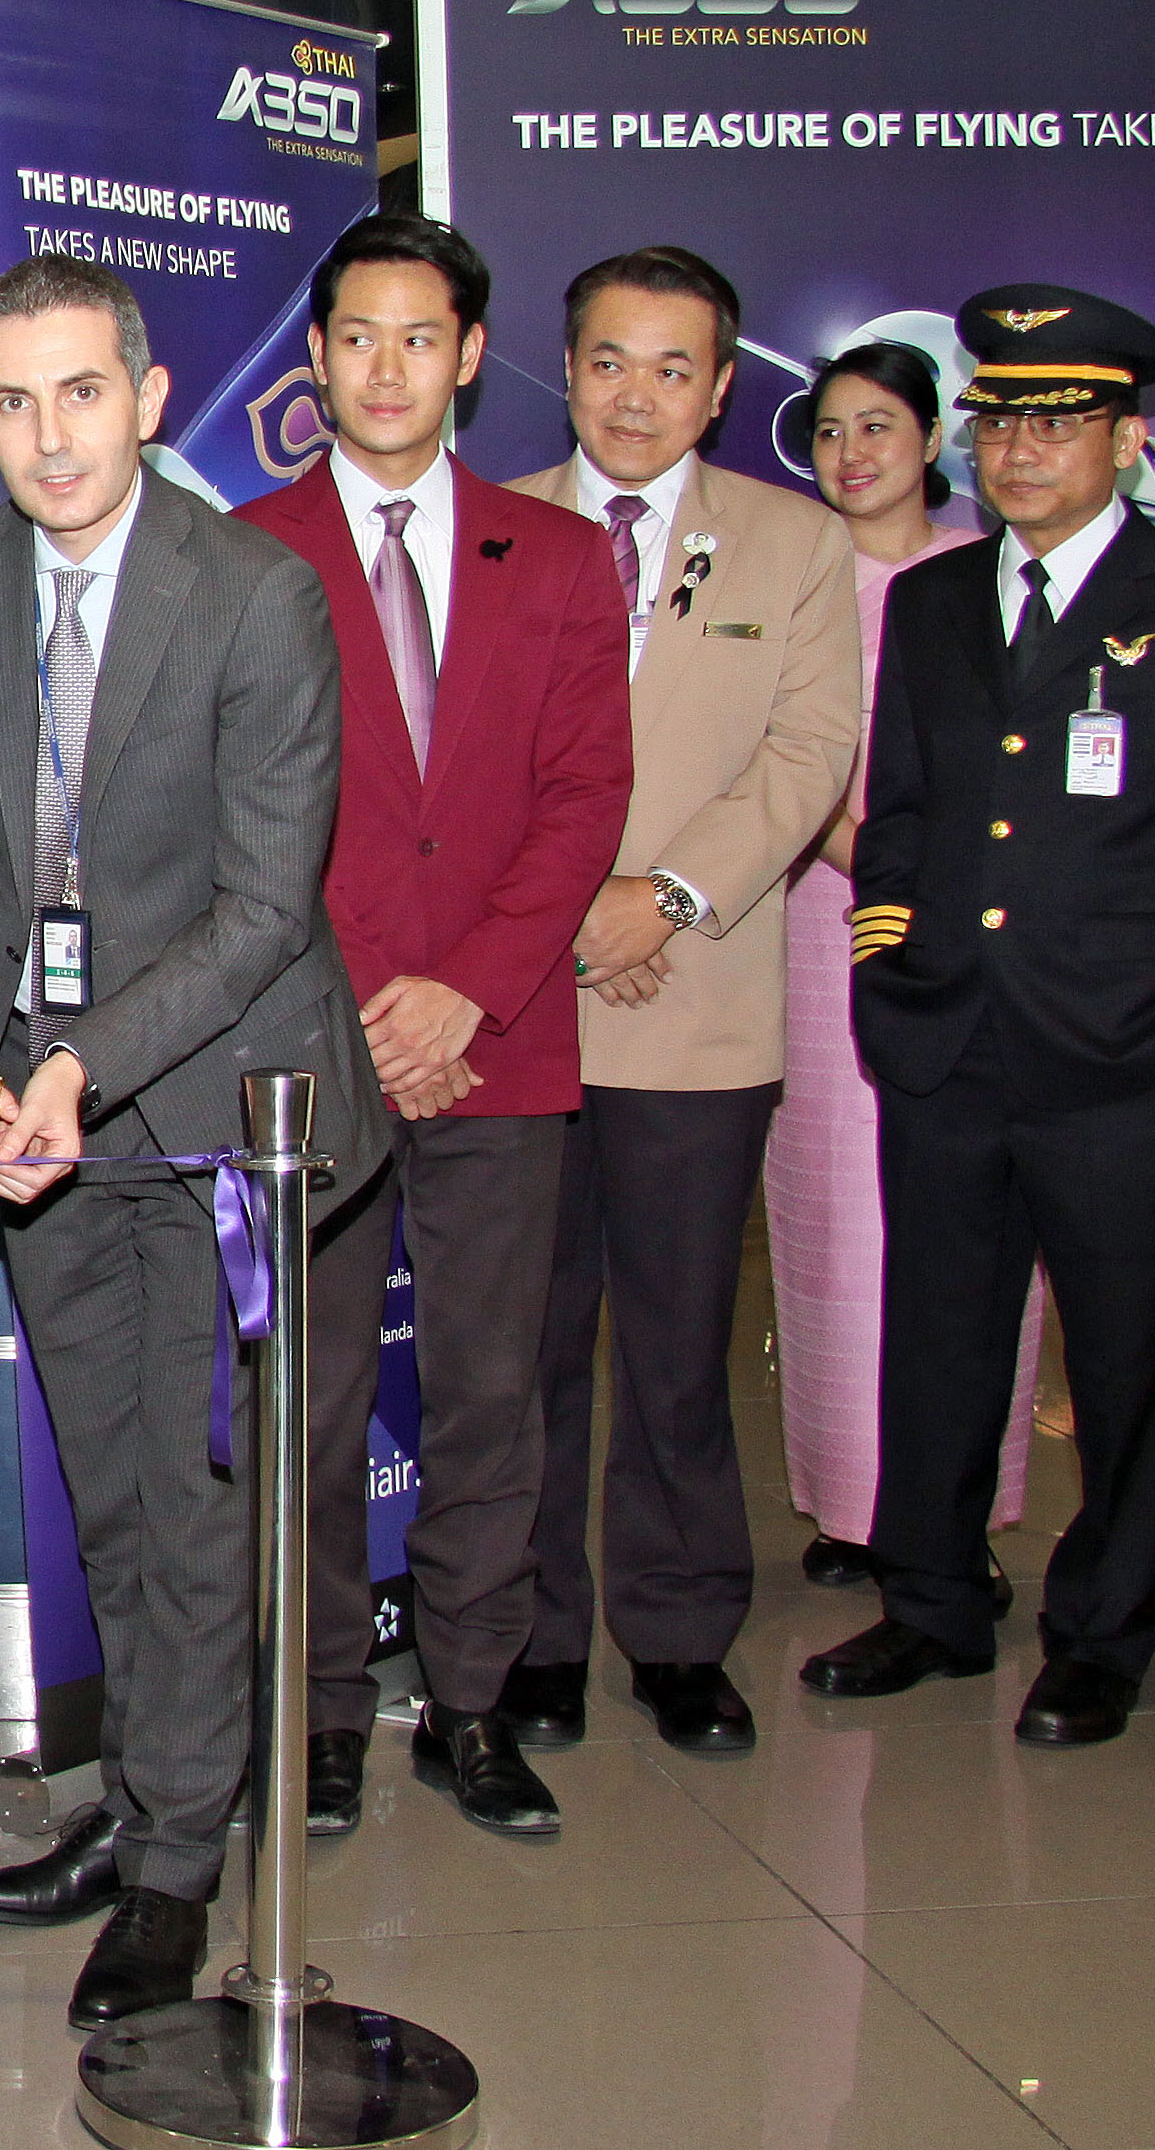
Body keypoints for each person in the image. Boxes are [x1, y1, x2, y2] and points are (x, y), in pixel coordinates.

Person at [0, 253, 389, 2034]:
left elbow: (264, 909)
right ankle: (149, 1793)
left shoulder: (254, 594)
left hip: (222, 1114)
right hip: (42, 1119)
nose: (49, 436)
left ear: (150, 397)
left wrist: (79, 1066)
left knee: (194, 1498)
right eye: (12, 400)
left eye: (82, 392)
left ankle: (178, 1862)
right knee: (109, 1483)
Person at [806, 286, 1155, 1748]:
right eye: (1001, 421)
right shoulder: (939, 597)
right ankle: (934, 1600)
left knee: (1126, 1352)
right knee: (940, 1334)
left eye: (1059, 422)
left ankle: (1107, 1625)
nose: (1020, 450)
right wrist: (889, 970)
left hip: (1123, 1052)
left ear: (1127, 438)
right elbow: (902, 812)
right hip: (949, 1037)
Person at [237, 214, 629, 1842]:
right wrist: (361, 1001)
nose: (385, 367)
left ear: (468, 355)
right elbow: (237, 818)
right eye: (357, 337)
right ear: (316, 358)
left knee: (490, 1393)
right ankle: (322, 1709)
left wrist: (466, 986)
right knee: (311, 1403)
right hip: (308, 1052)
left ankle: (469, 1701)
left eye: (419, 336)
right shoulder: (245, 556)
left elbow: (584, 797)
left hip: (500, 1040)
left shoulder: (561, 558)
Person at [509, 248, 858, 1761]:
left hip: (699, 1001)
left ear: (720, 388)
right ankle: (526, 1634)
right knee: (522, 1349)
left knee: (674, 1346)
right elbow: (453, 761)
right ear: (564, 369)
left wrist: (660, 895)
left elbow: (809, 752)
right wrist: (571, 909)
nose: (636, 396)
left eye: (672, 369)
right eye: (609, 361)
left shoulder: (794, 544)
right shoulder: (497, 526)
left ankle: (677, 1630)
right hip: (521, 1003)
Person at [760, 344, 1041, 1593]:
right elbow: (764, 752)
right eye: (829, 432)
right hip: (823, 916)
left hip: (978, 930)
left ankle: (957, 1512)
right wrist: (872, 856)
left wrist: (940, 879)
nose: (852, 454)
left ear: (934, 441)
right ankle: (847, 1504)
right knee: (834, 1221)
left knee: (971, 1231)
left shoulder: (991, 573)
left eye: (878, 427)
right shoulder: (790, 570)